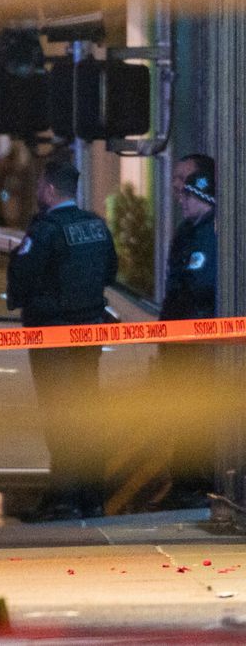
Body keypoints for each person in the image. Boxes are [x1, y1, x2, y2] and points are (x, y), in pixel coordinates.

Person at [6, 159, 118, 521]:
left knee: (60, 418)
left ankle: (64, 500)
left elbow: (22, 279)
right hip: (90, 336)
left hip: (53, 336)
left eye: (40, 186)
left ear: (49, 190)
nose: (38, 192)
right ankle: (90, 497)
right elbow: (111, 272)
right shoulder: (96, 226)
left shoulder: (46, 229)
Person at [155, 154, 217, 509]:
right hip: (180, 343)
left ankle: (195, 483)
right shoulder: (187, 231)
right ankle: (184, 482)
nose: (180, 197)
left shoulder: (210, 232)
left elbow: (201, 285)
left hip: (200, 345)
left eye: (187, 194)